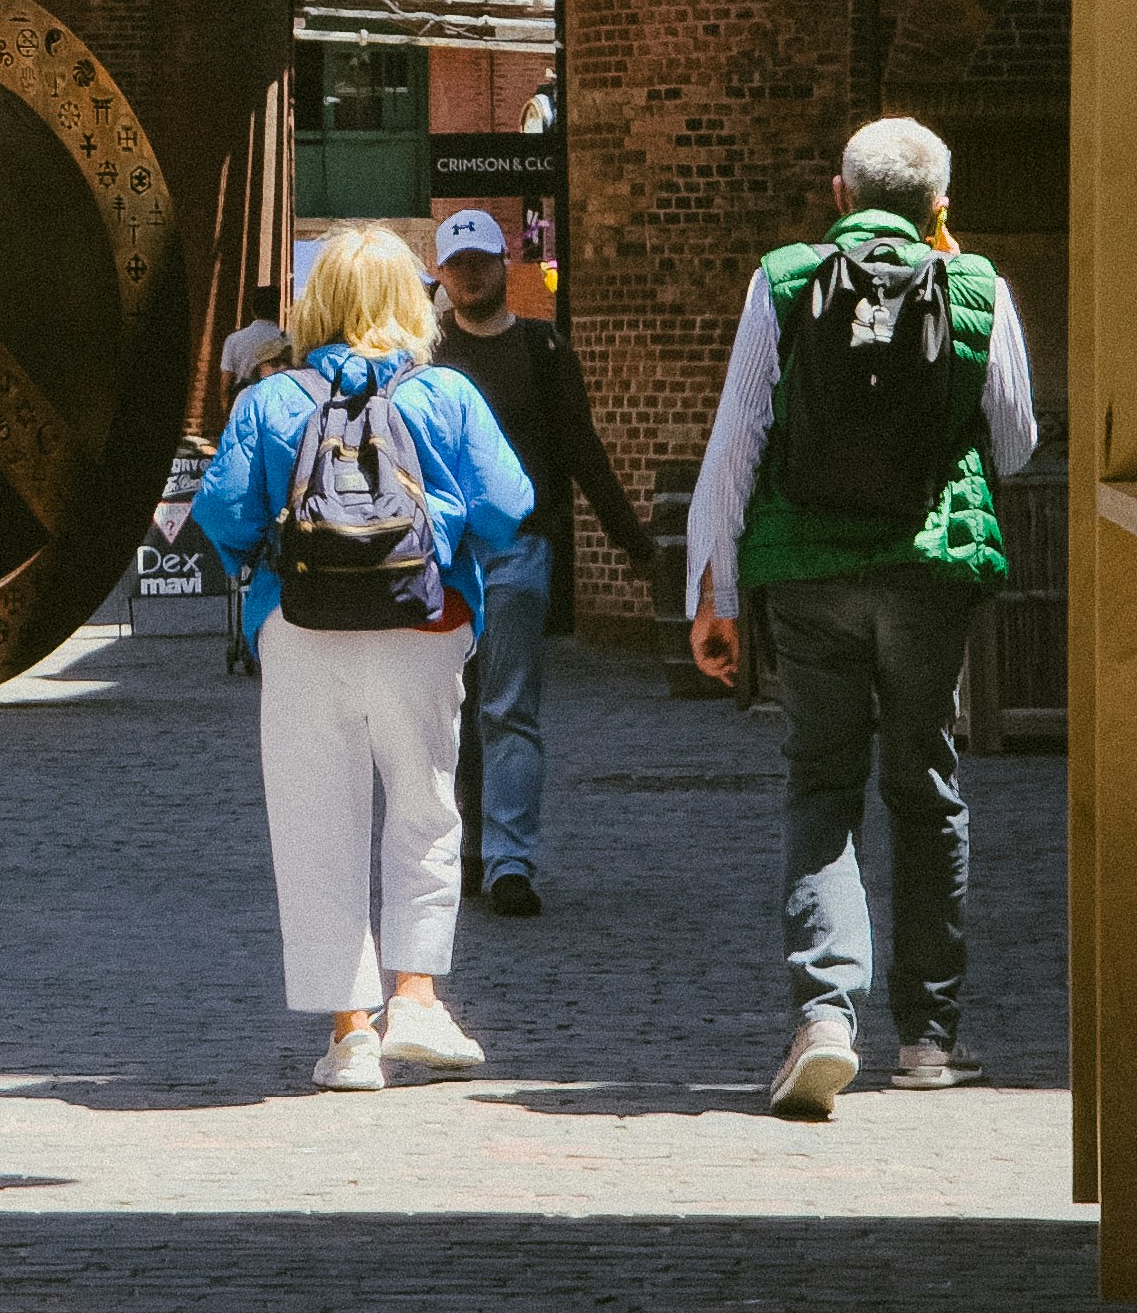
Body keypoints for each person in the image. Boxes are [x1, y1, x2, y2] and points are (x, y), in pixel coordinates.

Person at [686, 115, 1038, 1118]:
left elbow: (738, 437)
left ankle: (826, 1017)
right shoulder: (979, 287)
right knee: (925, 783)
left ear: (838, 196)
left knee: (822, 782)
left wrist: (712, 599)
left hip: (810, 573)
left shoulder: (786, 279)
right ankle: (929, 1039)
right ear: (940, 208)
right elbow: (1013, 443)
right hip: (931, 570)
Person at [191, 222, 535, 1094]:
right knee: (425, 808)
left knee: (313, 827)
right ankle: (416, 995)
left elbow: (225, 517)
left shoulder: (269, 401)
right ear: (407, 301)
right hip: (425, 623)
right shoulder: (446, 392)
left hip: (303, 629)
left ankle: (350, 1034)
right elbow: (511, 506)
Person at [425, 206, 654, 918]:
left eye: (480, 262)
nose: (469, 276)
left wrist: (631, 540)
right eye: (456, 266)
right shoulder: (426, 356)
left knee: (508, 709)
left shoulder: (542, 348)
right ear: (442, 275)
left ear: (504, 265)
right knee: (447, 711)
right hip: (442, 556)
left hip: (521, 547)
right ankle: (467, 851)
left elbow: (580, 449)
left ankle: (509, 863)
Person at [217, 280, 291, 400]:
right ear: (278, 309)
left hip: (243, 404)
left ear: (252, 309)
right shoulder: (288, 342)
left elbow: (224, 387)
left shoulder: (233, 340)